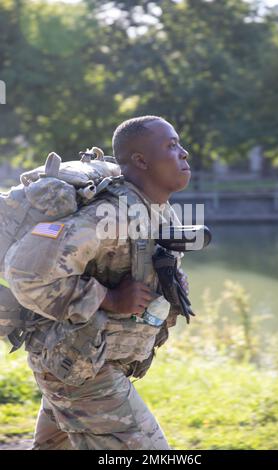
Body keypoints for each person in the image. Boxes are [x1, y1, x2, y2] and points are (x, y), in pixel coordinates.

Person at [5, 115, 191, 450]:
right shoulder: (110, 217)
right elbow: (25, 273)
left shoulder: (158, 210)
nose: (184, 153)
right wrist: (108, 298)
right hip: (83, 375)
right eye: (171, 145)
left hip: (82, 364)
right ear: (141, 160)